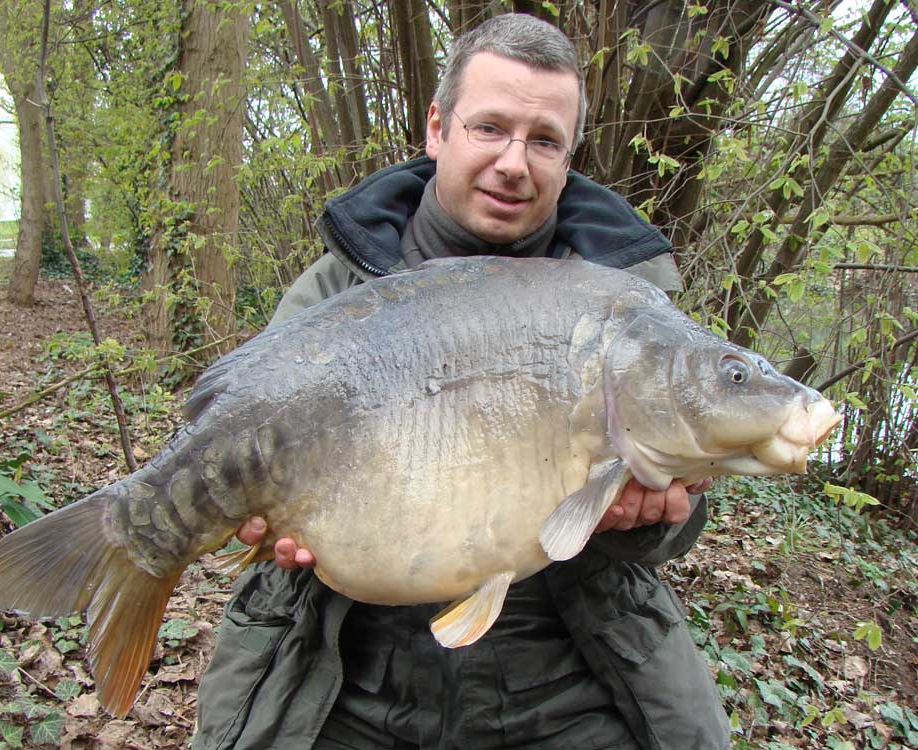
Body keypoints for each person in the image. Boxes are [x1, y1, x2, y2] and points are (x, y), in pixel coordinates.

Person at [191, 13, 729, 750]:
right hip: (349, 670)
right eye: (490, 128)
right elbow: (242, 464)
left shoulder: (622, 304)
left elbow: (684, 517)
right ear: (437, 128)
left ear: (568, 157)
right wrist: (257, 518)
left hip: (569, 673)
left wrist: (652, 519)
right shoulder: (332, 293)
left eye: (545, 141)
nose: (515, 163)